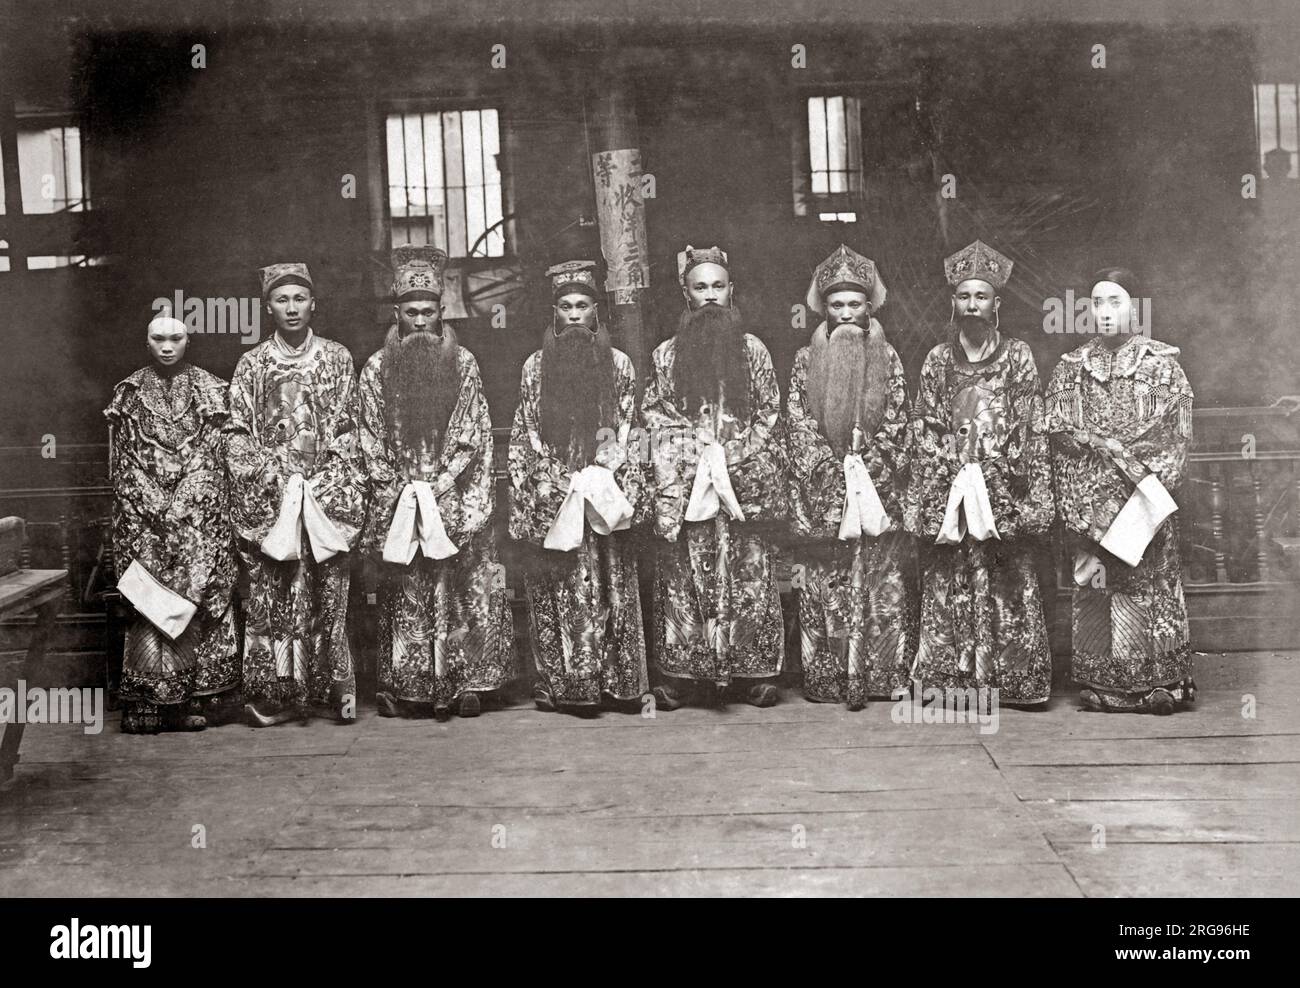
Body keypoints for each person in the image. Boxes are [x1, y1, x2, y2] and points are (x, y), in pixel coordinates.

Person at [359, 245, 514, 721]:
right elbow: (369, 437)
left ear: (441, 311)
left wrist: (441, 488)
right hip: (402, 498)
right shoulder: (374, 369)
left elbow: (473, 431)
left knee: (464, 584)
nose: (421, 321)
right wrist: (403, 491)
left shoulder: (463, 363)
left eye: (429, 311)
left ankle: (467, 680)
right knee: (407, 586)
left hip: (453, 494)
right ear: (397, 313)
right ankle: (407, 684)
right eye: (411, 313)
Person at [904, 240, 1054, 707]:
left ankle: (1011, 680)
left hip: (1001, 487)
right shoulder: (935, 361)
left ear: (997, 303)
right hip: (951, 487)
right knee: (948, 579)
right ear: (953, 302)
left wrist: (992, 469)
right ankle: (950, 678)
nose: (973, 305)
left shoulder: (1019, 357)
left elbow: (1031, 421)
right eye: (965, 296)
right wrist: (953, 465)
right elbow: (923, 424)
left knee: (1007, 578)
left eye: (981, 296)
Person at [1045, 268, 1195, 714]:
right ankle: (1104, 683)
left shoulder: (1162, 367)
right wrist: (1089, 497)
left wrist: (1136, 484)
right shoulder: (1071, 370)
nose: (1105, 313)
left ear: (1137, 308)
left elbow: (1174, 438)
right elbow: (1058, 436)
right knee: (1100, 583)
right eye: (1097, 303)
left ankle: (1160, 684)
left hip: (1143, 503)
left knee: (1149, 583)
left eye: (1116, 302)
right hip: (1092, 506)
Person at [642, 245, 786, 709]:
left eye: (717, 287)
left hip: (741, 485)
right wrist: (698, 457)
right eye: (699, 287)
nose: (709, 296)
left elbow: (770, 415)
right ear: (685, 294)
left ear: (731, 292)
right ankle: (684, 677)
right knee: (684, 579)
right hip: (690, 488)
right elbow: (655, 416)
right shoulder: (665, 356)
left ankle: (754, 673)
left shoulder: (754, 352)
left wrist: (733, 458)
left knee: (748, 576)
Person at [226, 262, 366, 726]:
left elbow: (350, 430)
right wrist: (278, 480)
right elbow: (237, 436)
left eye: (299, 299)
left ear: (313, 304)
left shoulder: (337, 358)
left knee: (328, 596)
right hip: (273, 500)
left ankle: (332, 694)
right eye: (281, 300)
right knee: (274, 595)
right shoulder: (252, 364)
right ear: (268, 307)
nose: (291, 308)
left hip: (326, 497)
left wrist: (322, 483)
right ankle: (276, 695)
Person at [507, 260, 648, 716]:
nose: (573, 315)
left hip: (605, 490)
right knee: (556, 583)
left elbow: (632, 427)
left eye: (582, 305)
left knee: (612, 583)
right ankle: (559, 683)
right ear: (554, 312)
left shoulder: (619, 364)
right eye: (565, 306)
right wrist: (557, 480)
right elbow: (526, 431)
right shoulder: (534, 367)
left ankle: (617, 683)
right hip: (557, 494)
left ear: (595, 312)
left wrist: (602, 473)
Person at [784, 245, 916, 709]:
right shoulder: (805, 361)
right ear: (823, 308)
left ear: (868, 307)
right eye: (836, 305)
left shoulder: (890, 357)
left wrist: (870, 464)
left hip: (876, 488)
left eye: (854, 305)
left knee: (881, 584)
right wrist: (831, 469)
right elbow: (796, 422)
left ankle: (880, 674)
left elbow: (903, 419)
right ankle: (830, 675)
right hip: (827, 492)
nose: (845, 315)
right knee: (827, 584)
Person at [105, 310, 239, 733]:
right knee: (150, 597)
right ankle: (149, 700)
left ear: (188, 341)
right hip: (146, 520)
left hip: (198, 517)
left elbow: (217, 459)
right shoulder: (126, 394)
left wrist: (185, 501)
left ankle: (201, 697)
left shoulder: (213, 390)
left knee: (201, 580)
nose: (167, 346)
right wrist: (154, 506)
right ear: (147, 343)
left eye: (176, 338)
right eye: (158, 339)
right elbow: (122, 464)